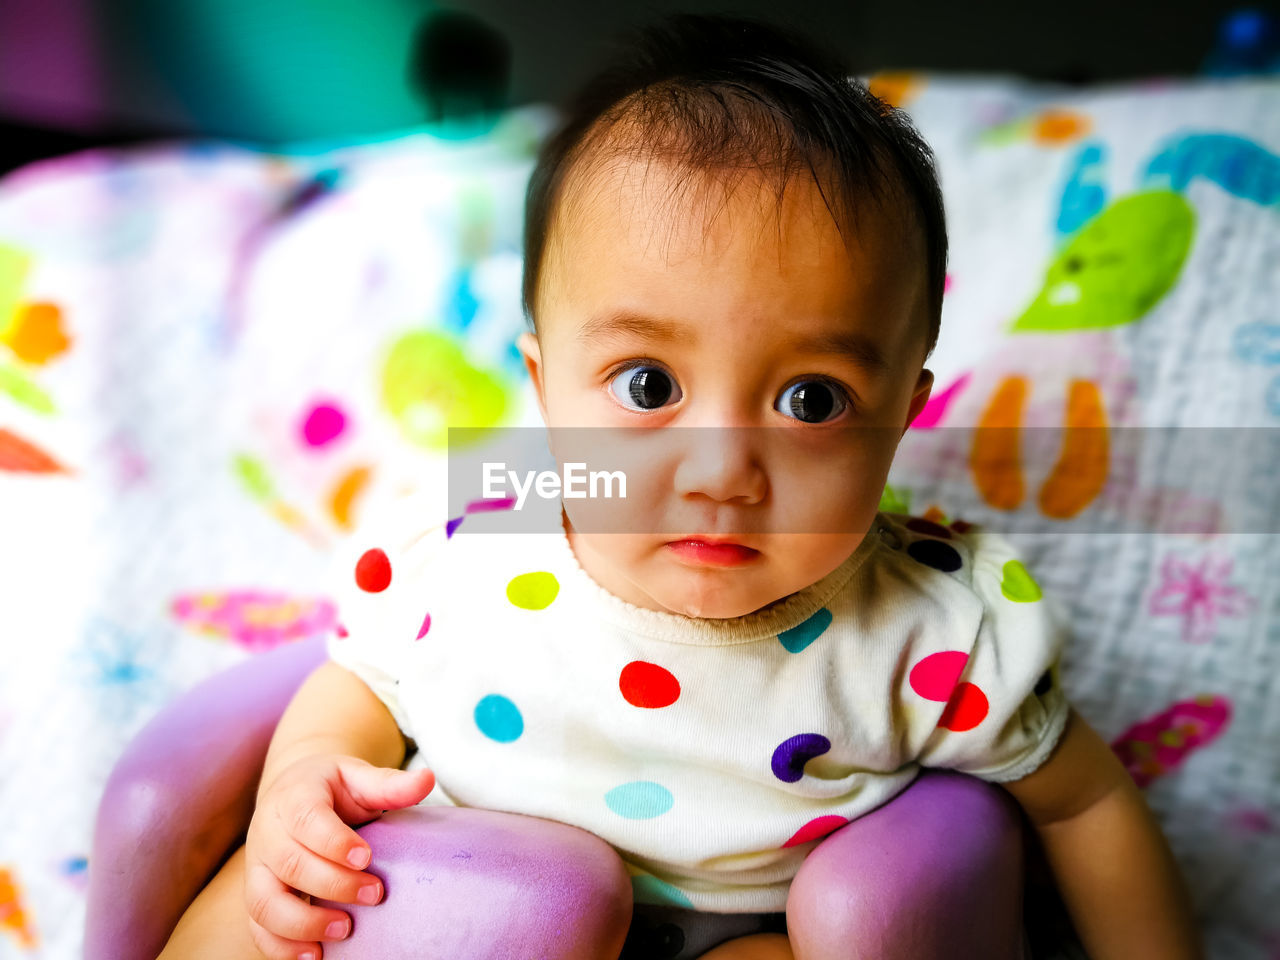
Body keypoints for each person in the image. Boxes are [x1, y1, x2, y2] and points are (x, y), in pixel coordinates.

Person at [158, 13, 1203, 960]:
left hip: (738, 931)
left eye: (810, 400)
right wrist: (305, 784)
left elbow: (1081, 808)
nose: (719, 474)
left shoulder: (932, 632)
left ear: (898, 415)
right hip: (455, 912)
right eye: (648, 385)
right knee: (262, 916)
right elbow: (361, 682)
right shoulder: (475, 530)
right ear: (544, 388)